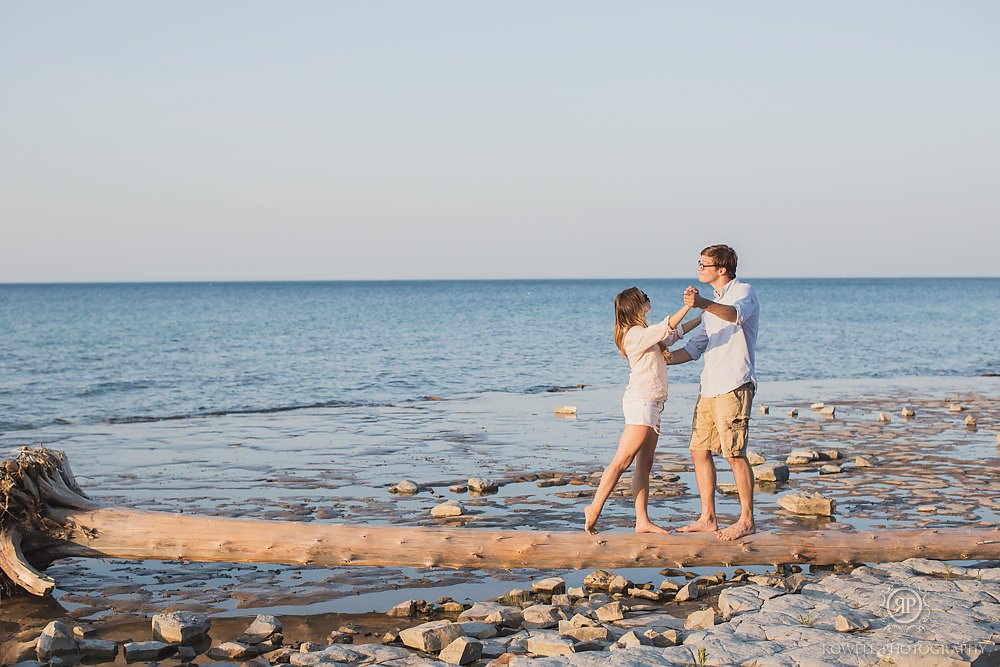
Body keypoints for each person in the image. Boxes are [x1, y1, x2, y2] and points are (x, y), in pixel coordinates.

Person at [584, 287, 701, 534]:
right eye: (645, 297)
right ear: (636, 305)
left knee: (644, 465)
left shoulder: (645, 334)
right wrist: (690, 306)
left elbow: (672, 334)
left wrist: (703, 317)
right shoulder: (634, 334)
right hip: (641, 403)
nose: (649, 298)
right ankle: (594, 508)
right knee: (622, 461)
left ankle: (642, 521)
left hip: (654, 404)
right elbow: (665, 328)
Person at [667, 244, 760, 541]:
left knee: (734, 454)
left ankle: (747, 520)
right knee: (699, 450)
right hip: (709, 387)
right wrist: (661, 358)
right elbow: (695, 348)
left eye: (704, 265)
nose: (699, 269)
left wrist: (702, 303)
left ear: (722, 269)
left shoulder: (743, 291)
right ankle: (708, 517)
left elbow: (735, 316)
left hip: (734, 384)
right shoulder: (713, 304)